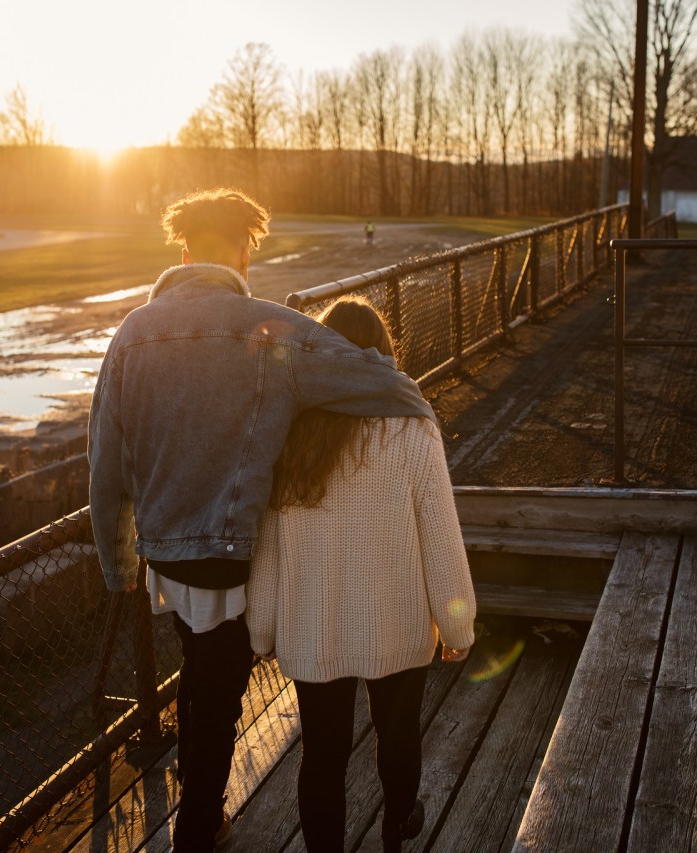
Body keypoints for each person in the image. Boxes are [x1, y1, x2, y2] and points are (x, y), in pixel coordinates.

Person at [88, 188, 435, 853]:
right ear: (245, 249)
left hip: (166, 553)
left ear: (184, 249)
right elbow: (376, 378)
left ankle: (199, 807)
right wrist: (417, 416)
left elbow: (105, 461)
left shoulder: (130, 334)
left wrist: (118, 559)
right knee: (220, 687)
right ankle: (195, 827)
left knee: (202, 670)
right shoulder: (275, 328)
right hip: (235, 548)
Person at [246, 297, 477, 853]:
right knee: (398, 735)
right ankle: (398, 828)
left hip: (314, 622)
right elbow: (441, 536)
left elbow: (268, 542)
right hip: (395, 620)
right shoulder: (412, 425)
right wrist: (459, 627)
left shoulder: (293, 429)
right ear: (383, 352)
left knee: (321, 753)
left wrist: (260, 626)